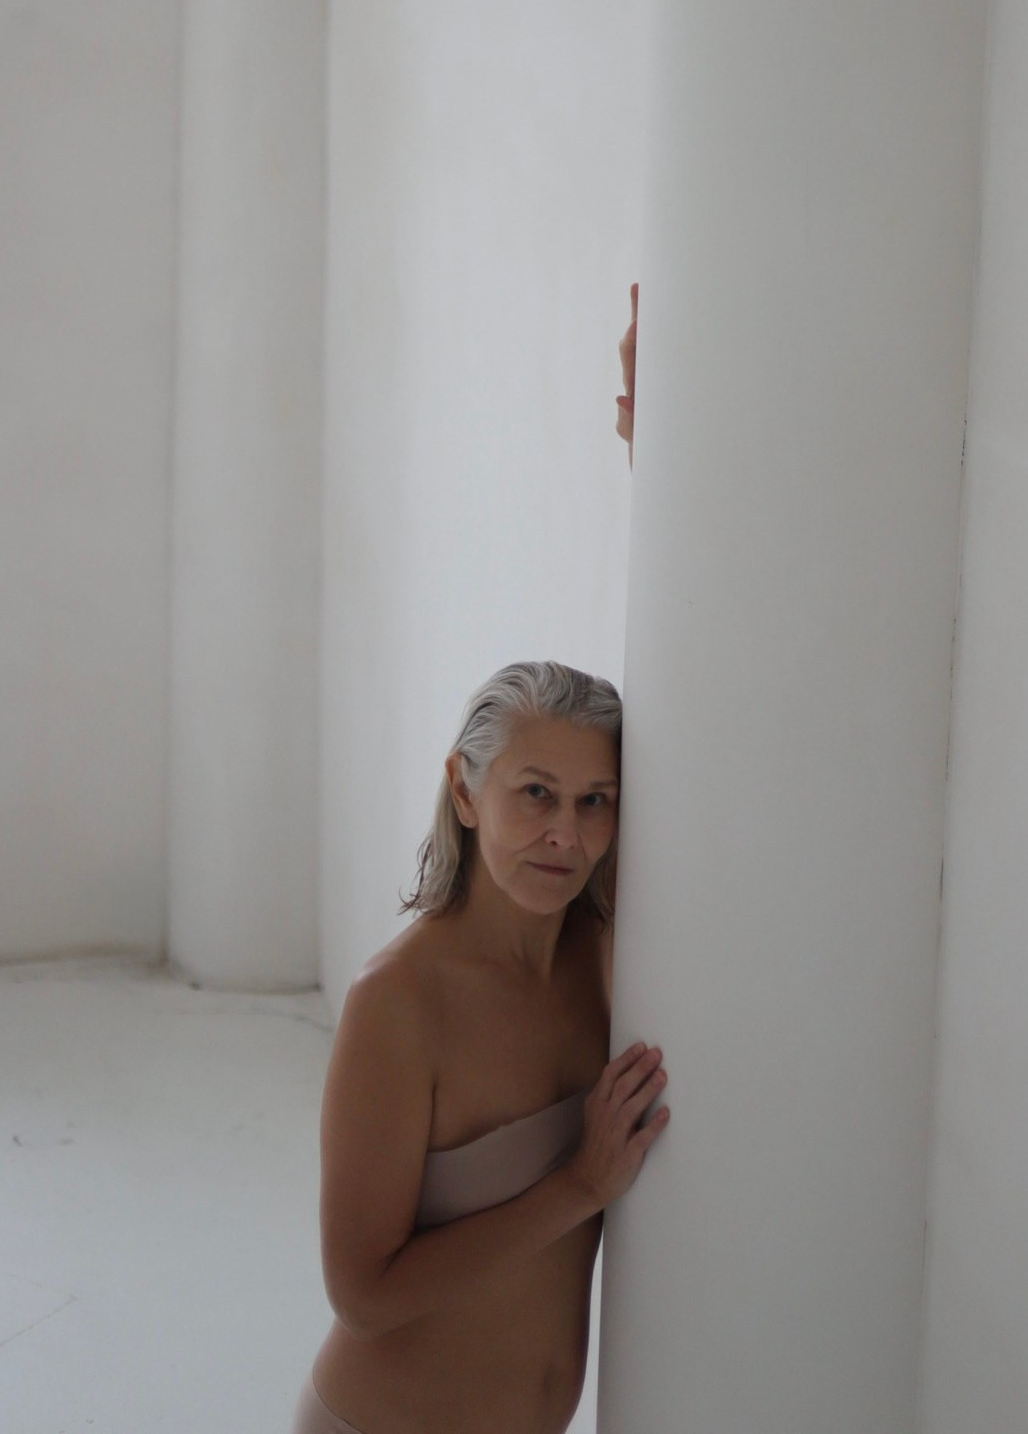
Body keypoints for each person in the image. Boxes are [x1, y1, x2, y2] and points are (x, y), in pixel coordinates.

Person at [293, 309, 662, 1434]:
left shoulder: (609, 946)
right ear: (464, 790)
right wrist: (578, 1189)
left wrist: (663, 457)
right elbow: (362, 1294)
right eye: (533, 794)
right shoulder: (398, 1002)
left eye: (595, 802)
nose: (565, 834)